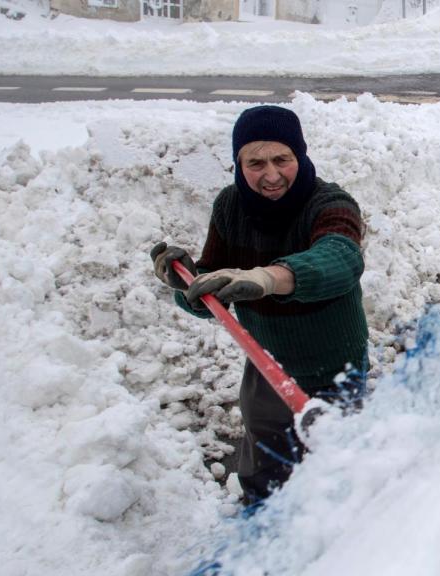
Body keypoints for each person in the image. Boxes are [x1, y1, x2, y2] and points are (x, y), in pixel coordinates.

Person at [150, 105, 369, 504]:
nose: (270, 175)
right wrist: (187, 285)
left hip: (334, 367)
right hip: (265, 364)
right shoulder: (230, 206)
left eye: (281, 159)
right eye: (255, 162)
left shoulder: (330, 204)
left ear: (299, 157)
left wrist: (267, 278)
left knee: (339, 479)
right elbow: (212, 297)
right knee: (265, 474)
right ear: (238, 162)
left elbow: (342, 258)